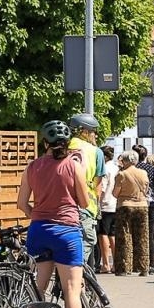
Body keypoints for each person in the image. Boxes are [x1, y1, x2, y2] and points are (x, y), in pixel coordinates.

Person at [15, 120, 105, 308]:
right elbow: (85, 202)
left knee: (38, 287)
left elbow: (21, 203)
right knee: (72, 289)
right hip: (66, 231)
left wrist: (36, 215)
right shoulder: (72, 166)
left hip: (38, 230)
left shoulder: (32, 167)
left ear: (44, 142)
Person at [66, 113, 105, 268]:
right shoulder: (96, 152)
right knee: (88, 240)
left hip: (60, 204)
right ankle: (74, 272)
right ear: (84, 131)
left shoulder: (61, 147)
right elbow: (98, 185)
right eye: (93, 131)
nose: (95, 135)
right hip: (84, 206)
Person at [111, 151, 151, 275]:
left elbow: (115, 193)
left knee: (124, 237)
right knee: (143, 237)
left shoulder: (122, 174)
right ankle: (143, 267)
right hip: (142, 205)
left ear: (126, 161)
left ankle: (124, 268)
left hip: (125, 205)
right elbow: (146, 188)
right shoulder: (143, 173)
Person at [97, 145, 118, 275]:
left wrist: (97, 202)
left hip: (105, 205)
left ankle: (106, 264)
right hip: (115, 204)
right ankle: (115, 263)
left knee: (103, 234)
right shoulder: (117, 168)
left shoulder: (104, 169)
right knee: (112, 235)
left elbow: (102, 188)